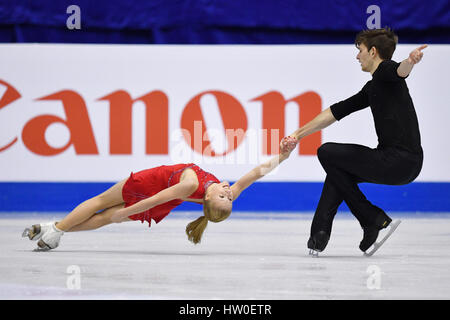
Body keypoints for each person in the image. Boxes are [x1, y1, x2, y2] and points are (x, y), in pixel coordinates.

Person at [280, 28, 426, 255]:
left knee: (327, 152)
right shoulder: (373, 87)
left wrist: (410, 62)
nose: (357, 56)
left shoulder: (386, 71)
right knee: (339, 171)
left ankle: (372, 216)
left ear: (373, 51)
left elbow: (400, 71)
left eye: (360, 50)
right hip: (402, 163)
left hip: (399, 160)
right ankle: (320, 236)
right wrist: (296, 135)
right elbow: (336, 111)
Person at [23, 137, 298, 251]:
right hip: (162, 194)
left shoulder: (191, 184)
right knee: (104, 216)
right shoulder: (223, 190)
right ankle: (53, 231)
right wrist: (283, 156)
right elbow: (258, 172)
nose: (228, 193)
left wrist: (124, 213)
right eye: (229, 198)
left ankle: (57, 229)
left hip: (151, 186)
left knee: (102, 205)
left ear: (207, 199)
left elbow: (156, 198)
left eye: (223, 198)